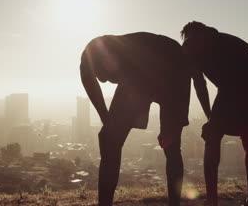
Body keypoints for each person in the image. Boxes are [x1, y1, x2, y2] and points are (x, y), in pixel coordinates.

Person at [80, 32, 190, 206]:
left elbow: (134, 81)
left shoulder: (113, 54)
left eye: (104, 75)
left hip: (169, 67)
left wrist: (110, 126)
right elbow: (95, 93)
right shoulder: (92, 60)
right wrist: (107, 121)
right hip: (173, 64)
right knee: (171, 145)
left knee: (112, 141)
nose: (106, 81)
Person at [181, 21, 248, 206]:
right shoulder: (198, 46)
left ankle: (224, 200)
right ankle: (224, 200)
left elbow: (230, 85)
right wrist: (210, 117)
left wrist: (212, 121)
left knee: (223, 136)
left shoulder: (222, 46)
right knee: (238, 137)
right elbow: (200, 85)